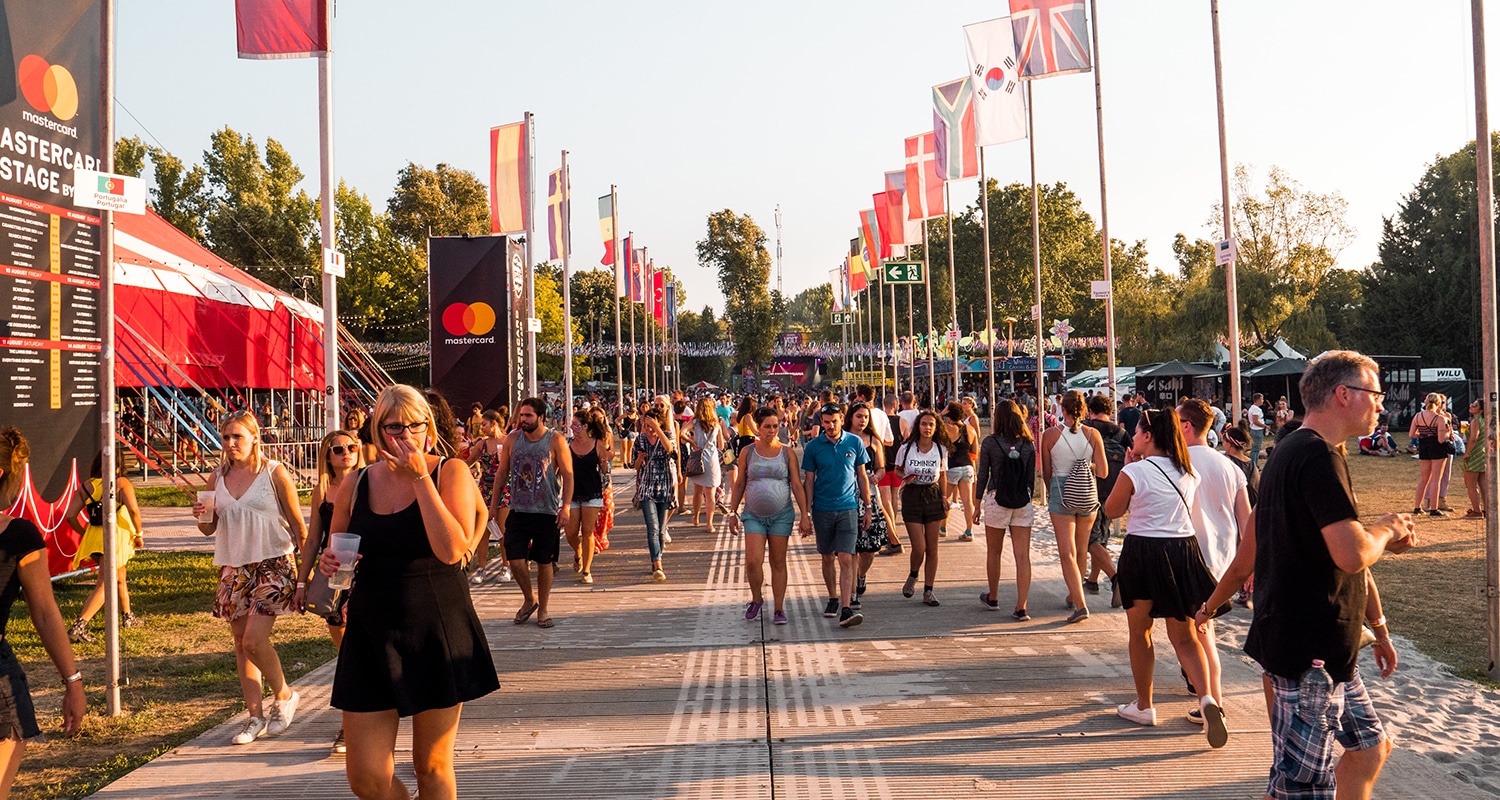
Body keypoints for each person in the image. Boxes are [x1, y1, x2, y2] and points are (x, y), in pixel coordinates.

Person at [1235, 350, 1416, 799]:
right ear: (1343, 395)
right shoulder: (1315, 456)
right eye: (1375, 394)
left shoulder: (1296, 448)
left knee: (1371, 749)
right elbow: (1352, 553)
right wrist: (1388, 529)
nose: (1381, 405)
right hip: (1308, 652)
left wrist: (1378, 626)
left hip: (1325, 646)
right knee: (1301, 787)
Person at [319, 384, 498, 799]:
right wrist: (330, 565)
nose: (402, 435)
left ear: (428, 428)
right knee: (365, 775)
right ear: (378, 431)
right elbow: (337, 554)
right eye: (392, 426)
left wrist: (421, 479)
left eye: (412, 426)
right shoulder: (357, 483)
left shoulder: (448, 471)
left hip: (436, 625)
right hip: (371, 628)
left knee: (431, 765)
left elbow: (451, 550)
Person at [1104, 406, 1226, 749]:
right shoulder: (1188, 472)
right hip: (1182, 551)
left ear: (1147, 436)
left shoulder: (1137, 471)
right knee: (1185, 637)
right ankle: (1207, 700)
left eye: (1138, 431)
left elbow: (1112, 510)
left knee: (1141, 632)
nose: (1134, 436)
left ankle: (1144, 706)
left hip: (1143, 551)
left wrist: (1127, 469)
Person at [193, 411, 308, 745]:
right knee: (241, 645)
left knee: (253, 641)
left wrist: (305, 574)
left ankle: (285, 696)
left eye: (237, 437)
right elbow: (208, 529)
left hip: (273, 562)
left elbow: (298, 525)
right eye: (226, 437)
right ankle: (254, 717)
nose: (230, 444)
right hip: (234, 566)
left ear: (255, 437)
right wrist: (201, 516)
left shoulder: (273, 472)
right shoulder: (216, 477)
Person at [0, 428, 86, 796]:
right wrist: (72, 683)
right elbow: (46, 614)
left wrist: (73, 681)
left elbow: (46, 613)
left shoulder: (19, 536)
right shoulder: (17, 535)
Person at [1177, 398, 1252, 726]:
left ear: (1187, 426)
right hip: (1223, 561)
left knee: (1196, 635)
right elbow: (1246, 518)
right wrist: (1250, 564)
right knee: (1205, 629)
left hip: (1187, 555)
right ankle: (1206, 696)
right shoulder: (1230, 467)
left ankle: (1212, 701)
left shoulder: (1176, 463)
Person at [292, 429, 364, 754]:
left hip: (368, 572)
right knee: (346, 649)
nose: (346, 453)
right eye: (338, 449)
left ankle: (352, 726)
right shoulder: (322, 490)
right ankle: (358, 716)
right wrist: (300, 581)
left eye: (351, 447)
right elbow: (312, 540)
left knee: (359, 647)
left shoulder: (372, 482)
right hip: (334, 574)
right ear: (328, 457)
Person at [490, 398, 573, 629]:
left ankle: (543, 609)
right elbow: (501, 473)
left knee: (544, 561)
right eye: (521, 416)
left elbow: (568, 474)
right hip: (518, 508)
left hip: (546, 511)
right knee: (515, 559)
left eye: (528, 416)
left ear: (540, 417)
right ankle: (529, 598)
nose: (523, 420)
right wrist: (493, 506)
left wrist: (565, 506)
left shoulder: (555, 440)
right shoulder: (512, 439)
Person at [726, 407, 812, 624]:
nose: (772, 431)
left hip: (781, 515)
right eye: (767, 427)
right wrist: (732, 512)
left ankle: (779, 608)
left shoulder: (786, 452)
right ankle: (756, 599)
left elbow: (796, 484)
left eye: (775, 426)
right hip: (753, 515)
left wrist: (805, 514)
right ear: (758, 427)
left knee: (778, 561)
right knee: (753, 561)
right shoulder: (748, 451)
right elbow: (739, 484)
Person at [1039, 390, 1108, 623]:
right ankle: (1073, 593)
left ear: (1063, 409)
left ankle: (1080, 604)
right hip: (1088, 493)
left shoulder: (1049, 435)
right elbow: (1104, 471)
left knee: (1066, 551)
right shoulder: (1093, 434)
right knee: (1081, 549)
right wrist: (1084, 465)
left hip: (1061, 489)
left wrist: (1051, 492)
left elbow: (1046, 472)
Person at [801, 402, 872, 628]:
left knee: (845, 556)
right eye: (826, 422)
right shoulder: (813, 447)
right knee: (826, 556)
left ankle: (845, 607)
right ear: (821, 423)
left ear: (842, 419)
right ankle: (832, 597)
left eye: (834, 421)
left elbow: (861, 476)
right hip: (822, 508)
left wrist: (868, 506)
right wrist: (806, 512)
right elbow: (809, 480)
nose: (830, 426)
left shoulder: (854, 442)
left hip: (848, 507)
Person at [65, 452, 145, 642]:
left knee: (119, 576)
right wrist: (138, 534)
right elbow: (133, 510)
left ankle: (127, 616)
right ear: (118, 466)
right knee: (106, 582)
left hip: (94, 538)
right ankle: (79, 625)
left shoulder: (86, 486)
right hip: (115, 537)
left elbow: (70, 516)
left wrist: (85, 533)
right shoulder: (121, 483)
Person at [973, 399, 1035, 620]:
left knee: (994, 552)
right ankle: (1021, 606)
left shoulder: (990, 442)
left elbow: (983, 475)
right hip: (1022, 502)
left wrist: (976, 504)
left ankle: (993, 596)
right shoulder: (1028, 444)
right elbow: (1030, 480)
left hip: (996, 498)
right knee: (1022, 556)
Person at [895, 409, 949, 607]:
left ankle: (929, 590)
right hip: (912, 494)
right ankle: (913, 574)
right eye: (924, 424)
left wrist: (944, 496)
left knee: (932, 547)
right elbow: (897, 469)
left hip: (933, 495)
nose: (927, 428)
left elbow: (942, 474)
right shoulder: (907, 448)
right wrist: (904, 478)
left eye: (931, 425)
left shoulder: (941, 449)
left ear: (936, 428)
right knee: (919, 546)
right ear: (918, 425)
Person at [1081, 394, 1129, 607]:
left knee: (1090, 539)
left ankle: (1115, 577)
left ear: (1090, 410)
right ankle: (1092, 580)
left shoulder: (1086, 429)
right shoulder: (1122, 433)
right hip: (1114, 490)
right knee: (1103, 535)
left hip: (1089, 488)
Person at [845, 403, 892, 611]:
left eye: (865, 417)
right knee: (852, 547)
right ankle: (852, 592)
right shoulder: (843, 439)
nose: (862, 420)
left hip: (870, 497)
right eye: (858, 416)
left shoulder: (874, 441)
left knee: (870, 548)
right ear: (850, 418)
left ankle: (861, 575)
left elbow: (882, 468)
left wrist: (877, 476)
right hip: (847, 497)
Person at [564, 408, 611, 585]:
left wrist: (605, 463)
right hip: (572, 491)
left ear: (585, 426)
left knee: (587, 531)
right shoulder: (568, 444)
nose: (572, 428)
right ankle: (578, 553)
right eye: (571, 425)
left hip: (592, 491)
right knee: (570, 532)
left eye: (576, 425)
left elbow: (605, 470)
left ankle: (587, 570)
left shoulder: (598, 443)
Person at [463, 410, 510, 583]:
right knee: (483, 528)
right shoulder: (482, 445)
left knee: (502, 528)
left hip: (505, 488)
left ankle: (506, 566)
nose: (481, 428)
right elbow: (468, 462)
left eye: (484, 424)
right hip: (486, 488)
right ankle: (481, 567)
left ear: (494, 424)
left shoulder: (507, 442)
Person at [634, 409, 677, 581]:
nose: (648, 429)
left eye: (651, 425)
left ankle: (657, 557)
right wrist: (639, 458)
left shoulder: (666, 435)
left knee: (661, 529)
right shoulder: (640, 439)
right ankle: (657, 562)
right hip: (647, 488)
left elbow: (671, 450)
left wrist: (658, 429)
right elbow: (635, 466)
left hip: (664, 487)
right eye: (645, 425)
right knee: (652, 528)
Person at [1409, 392, 1452, 516]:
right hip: (1437, 448)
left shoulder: (1418, 416)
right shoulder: (1440, 418)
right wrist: (1448, 433)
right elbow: (1441, 439)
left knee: (1423, 479)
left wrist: (1423, 435)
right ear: (1439, 403)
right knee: (1436, 479)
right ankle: (1434, 509)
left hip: (1424, 446)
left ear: (1426, 402)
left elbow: (1412, 434)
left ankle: (1417, 508)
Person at [684, 397, 724, 531]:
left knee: (697, 490)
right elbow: (721, 445)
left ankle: (695, 518)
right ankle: (709, 523)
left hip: (698, 457)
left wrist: (692, 441)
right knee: (710, 493)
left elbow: (680, 432)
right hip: (711, 458)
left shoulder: (695, 422)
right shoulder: (716, 424)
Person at [941, 402, 978, 542]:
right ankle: (969, 531)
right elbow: (975, 452)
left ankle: (943, 528)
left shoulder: (946, 427)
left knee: (946, 499)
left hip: (952, 466)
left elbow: (934, 422)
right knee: (967, 501)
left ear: (949, 415)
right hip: (967, 466)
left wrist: (942, 412)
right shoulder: (971, 430)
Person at [1463, 398, 1488, 519]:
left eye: (1475, 405)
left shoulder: (1475, 421)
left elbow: (1473, 438)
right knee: (1483, 485)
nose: (1471, 405)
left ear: (1481, 409)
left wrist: (1467, 453)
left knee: (1471, 484)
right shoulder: (1485, 420)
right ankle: (1486, 509)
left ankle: (1477, 511)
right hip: (1483, 454)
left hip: (1474, 454)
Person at [1247, 393, 1268, 463]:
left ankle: (1255, 463)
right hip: (1257, 430)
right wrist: (1264, 426)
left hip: (1256, 430)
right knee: (1255, 449)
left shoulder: (1253, 408)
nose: (1263, 401)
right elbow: (1255, 421)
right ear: (1258, 400)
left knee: (1257, 449)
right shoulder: (1256, 409)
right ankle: (1254, 464)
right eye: (1262, 399)